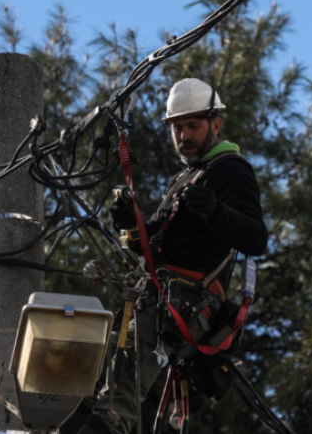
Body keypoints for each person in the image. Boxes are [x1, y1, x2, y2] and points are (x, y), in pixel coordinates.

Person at [72, 78, 268, 434]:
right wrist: (131, 227)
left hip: (188, 302)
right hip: (159, 297)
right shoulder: (183, 179)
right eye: (177, 128)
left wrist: (214, 210)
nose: (184, 135)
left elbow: (256, 238)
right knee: (93, 381)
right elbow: (154, 251)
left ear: (216, 124)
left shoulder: (229, 170)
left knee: (119, 396)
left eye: (193, 125)